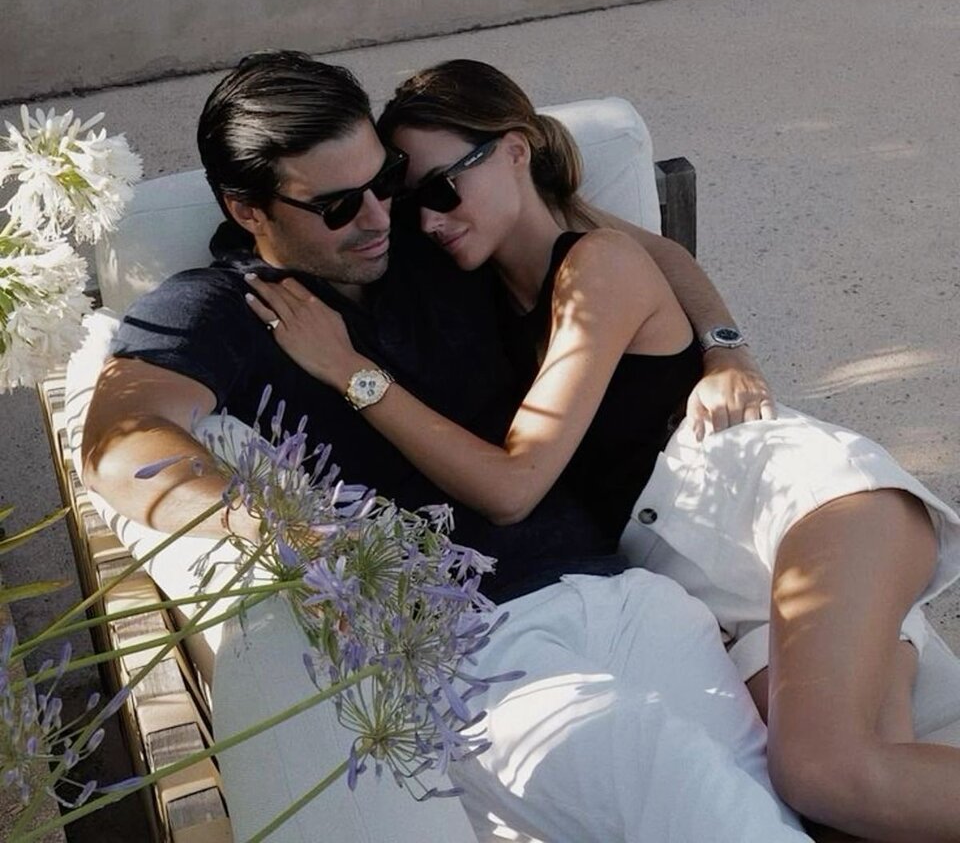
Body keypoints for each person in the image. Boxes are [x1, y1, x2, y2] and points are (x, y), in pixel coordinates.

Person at [82, 51, 809, 843]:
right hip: (478, 653)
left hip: (627, 596)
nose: (376, 217)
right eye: (337, 206)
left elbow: (640, 252)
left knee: (768, 800)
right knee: (688, 792)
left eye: (383, 180)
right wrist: (288, 527)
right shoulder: (222, 309)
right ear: (248, 208)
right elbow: (121, 445)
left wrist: (726, 347)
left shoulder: (433, 228)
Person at [245, 57, 960, 843]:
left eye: (443, 189)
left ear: (515, 151)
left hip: (798, 510)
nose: (427, 220)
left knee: (822, 772)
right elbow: (672, 258)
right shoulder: (481, 282)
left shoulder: (595, 265)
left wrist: (352, 373)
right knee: (849, 815)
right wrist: (722, 342)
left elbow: (516, 483)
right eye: (409, 199)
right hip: (722, 585)